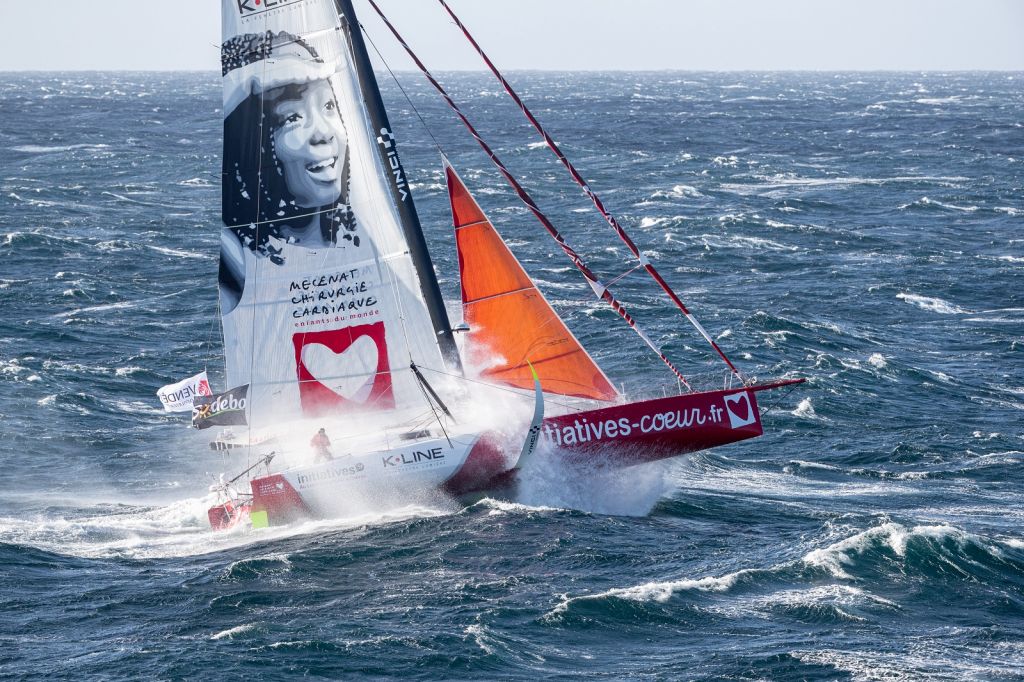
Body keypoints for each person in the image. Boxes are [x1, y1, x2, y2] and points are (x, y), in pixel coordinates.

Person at [218, 30, 362, 314]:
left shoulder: (363, 231)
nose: (323, 133)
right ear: (248, 145)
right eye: (292, 117)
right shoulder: (232, 261)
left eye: (329, 106)